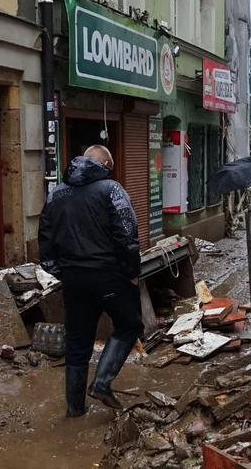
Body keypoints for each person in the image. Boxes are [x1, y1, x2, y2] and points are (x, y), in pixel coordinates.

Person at [39, 145, 143, 417]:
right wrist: (132, 270)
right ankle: (101, 383)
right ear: (106, 163)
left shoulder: (56, 194)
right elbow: (128, 235)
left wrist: (61, 272)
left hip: (74, 280)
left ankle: (74, 411)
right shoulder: (112, 190)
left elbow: (45, 239)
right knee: (129, 325)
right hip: (109, 276)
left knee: (77, 345)